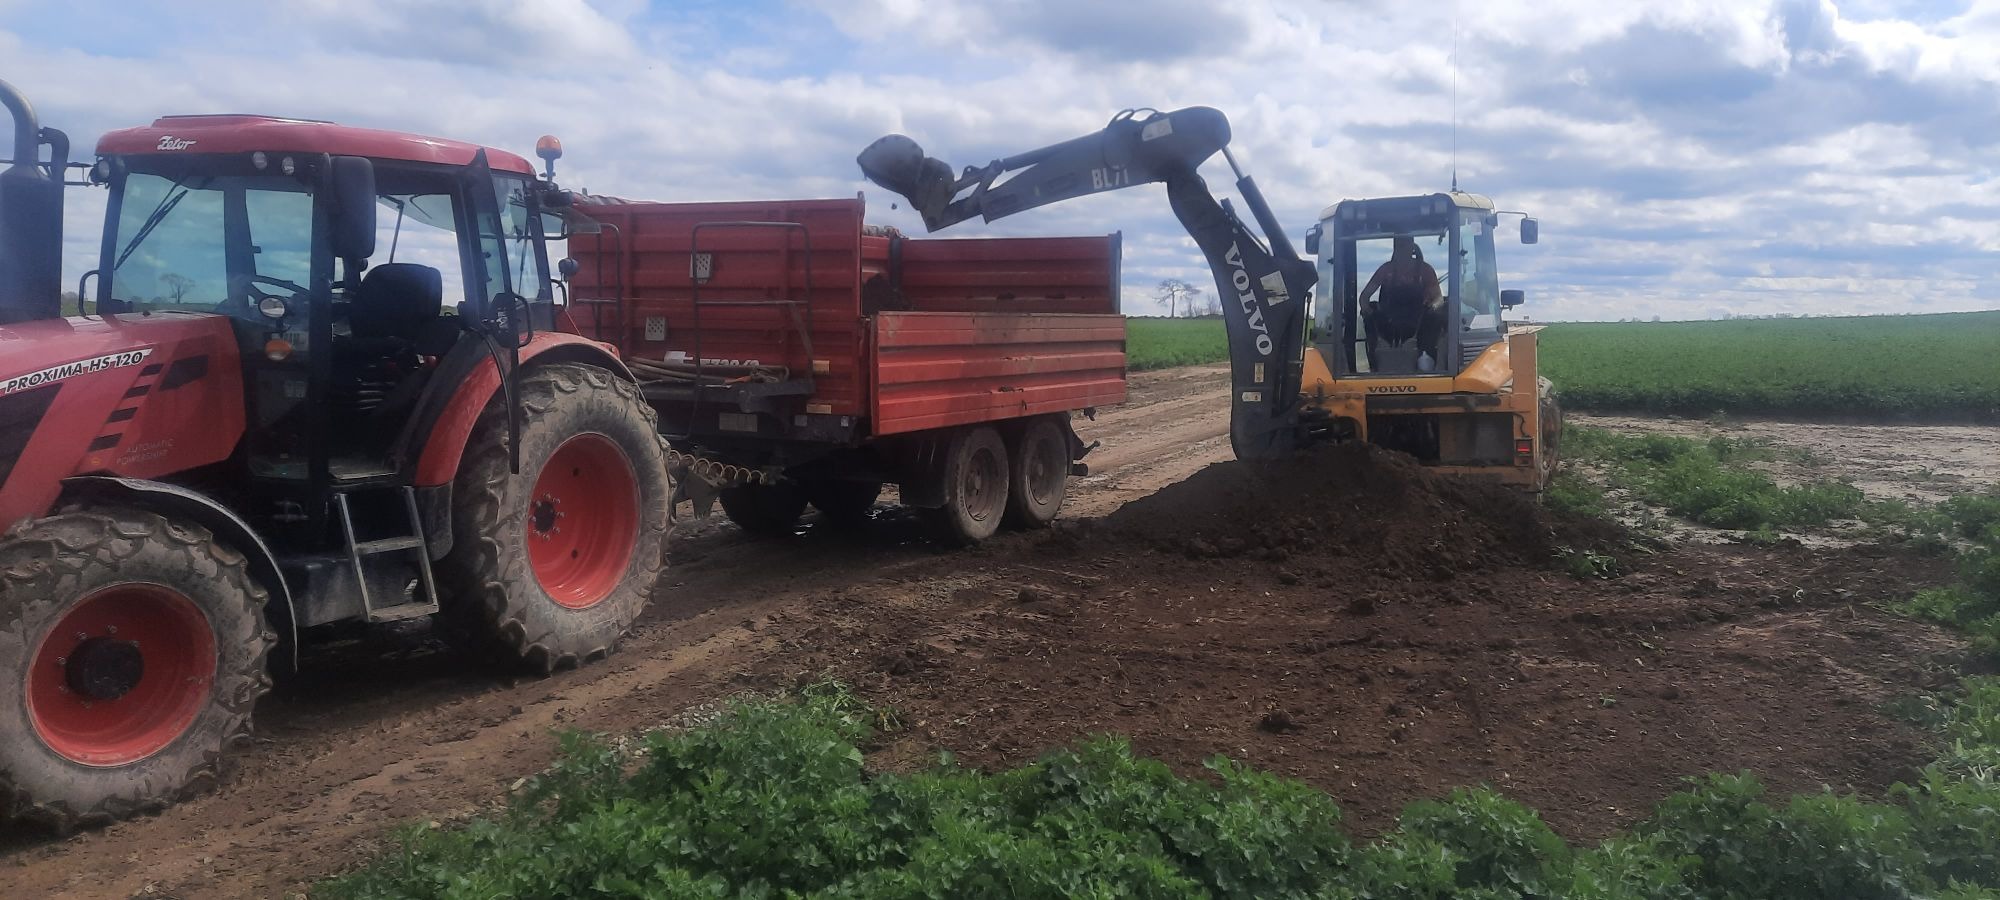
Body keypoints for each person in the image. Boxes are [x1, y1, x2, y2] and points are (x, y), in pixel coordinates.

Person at [1358, 236, 1445, 369]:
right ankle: (1375, 362)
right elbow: (1364, 297)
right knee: (1370, 319)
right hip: (1389, 323)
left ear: (1412, 247)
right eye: (1399, 245)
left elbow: (1439, 298)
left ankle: (1428, 363)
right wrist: (1367, 311)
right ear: (1394, 247)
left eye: (1405, 245)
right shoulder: (1386, 270)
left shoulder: (1425, 270)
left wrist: (1433, 307)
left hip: (1420, 321)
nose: (1401, 249)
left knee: (1435, 319)